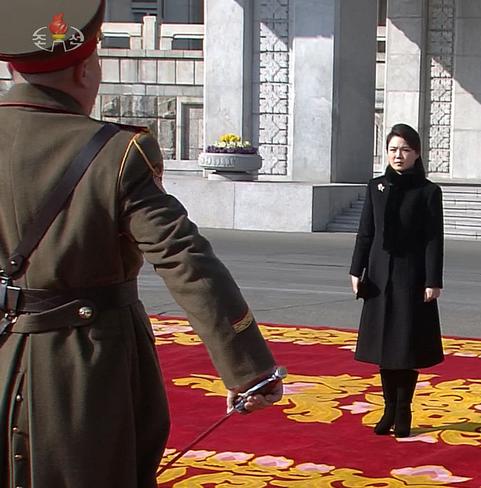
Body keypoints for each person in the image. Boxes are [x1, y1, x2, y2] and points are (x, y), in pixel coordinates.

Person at [0, 2, 282, 487]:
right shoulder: (115, 152)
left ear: (12, 67)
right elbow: (183, 258)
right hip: (85, 370)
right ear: (88, 67)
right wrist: (248, 368)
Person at [350, 123, 444, 438]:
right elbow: (366, 232)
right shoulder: (376, 187)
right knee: (383, 348)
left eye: (404, 149)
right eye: (392, 150)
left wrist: (433, 279)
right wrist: (356, 270)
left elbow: (434, 239)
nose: (398, 155)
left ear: (416, 153)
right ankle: (388, 409)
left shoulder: (428, 191)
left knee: (405, 347)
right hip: (378, 277)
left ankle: (404, 410)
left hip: (411, 278)